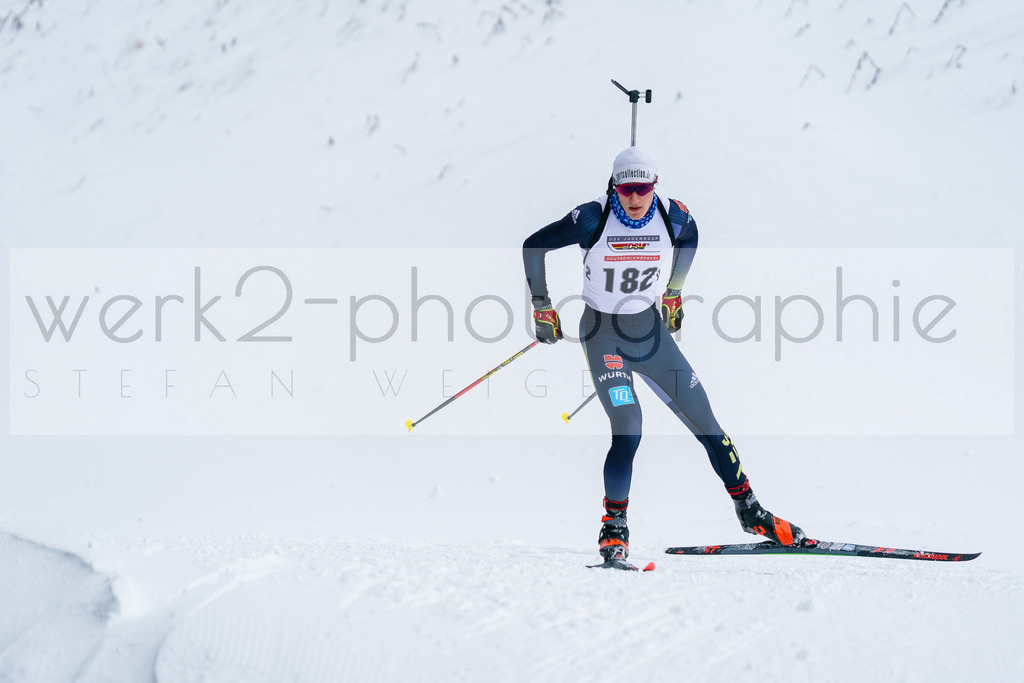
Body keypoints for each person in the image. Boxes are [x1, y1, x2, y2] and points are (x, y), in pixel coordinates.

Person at [522, 147, 806, 562]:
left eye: (643, 188)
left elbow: (690, 237)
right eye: (626, 189)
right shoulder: (591, 218)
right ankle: (614, 527)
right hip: (604, 337)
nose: (635, 198)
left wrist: (674, 291)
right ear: (614, 187)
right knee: (629, 428)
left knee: (708, 423)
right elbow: (533, 246)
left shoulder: (673, 217)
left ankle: (751, 512)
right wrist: (542, 306)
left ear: (655, 186)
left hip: (651, 335)